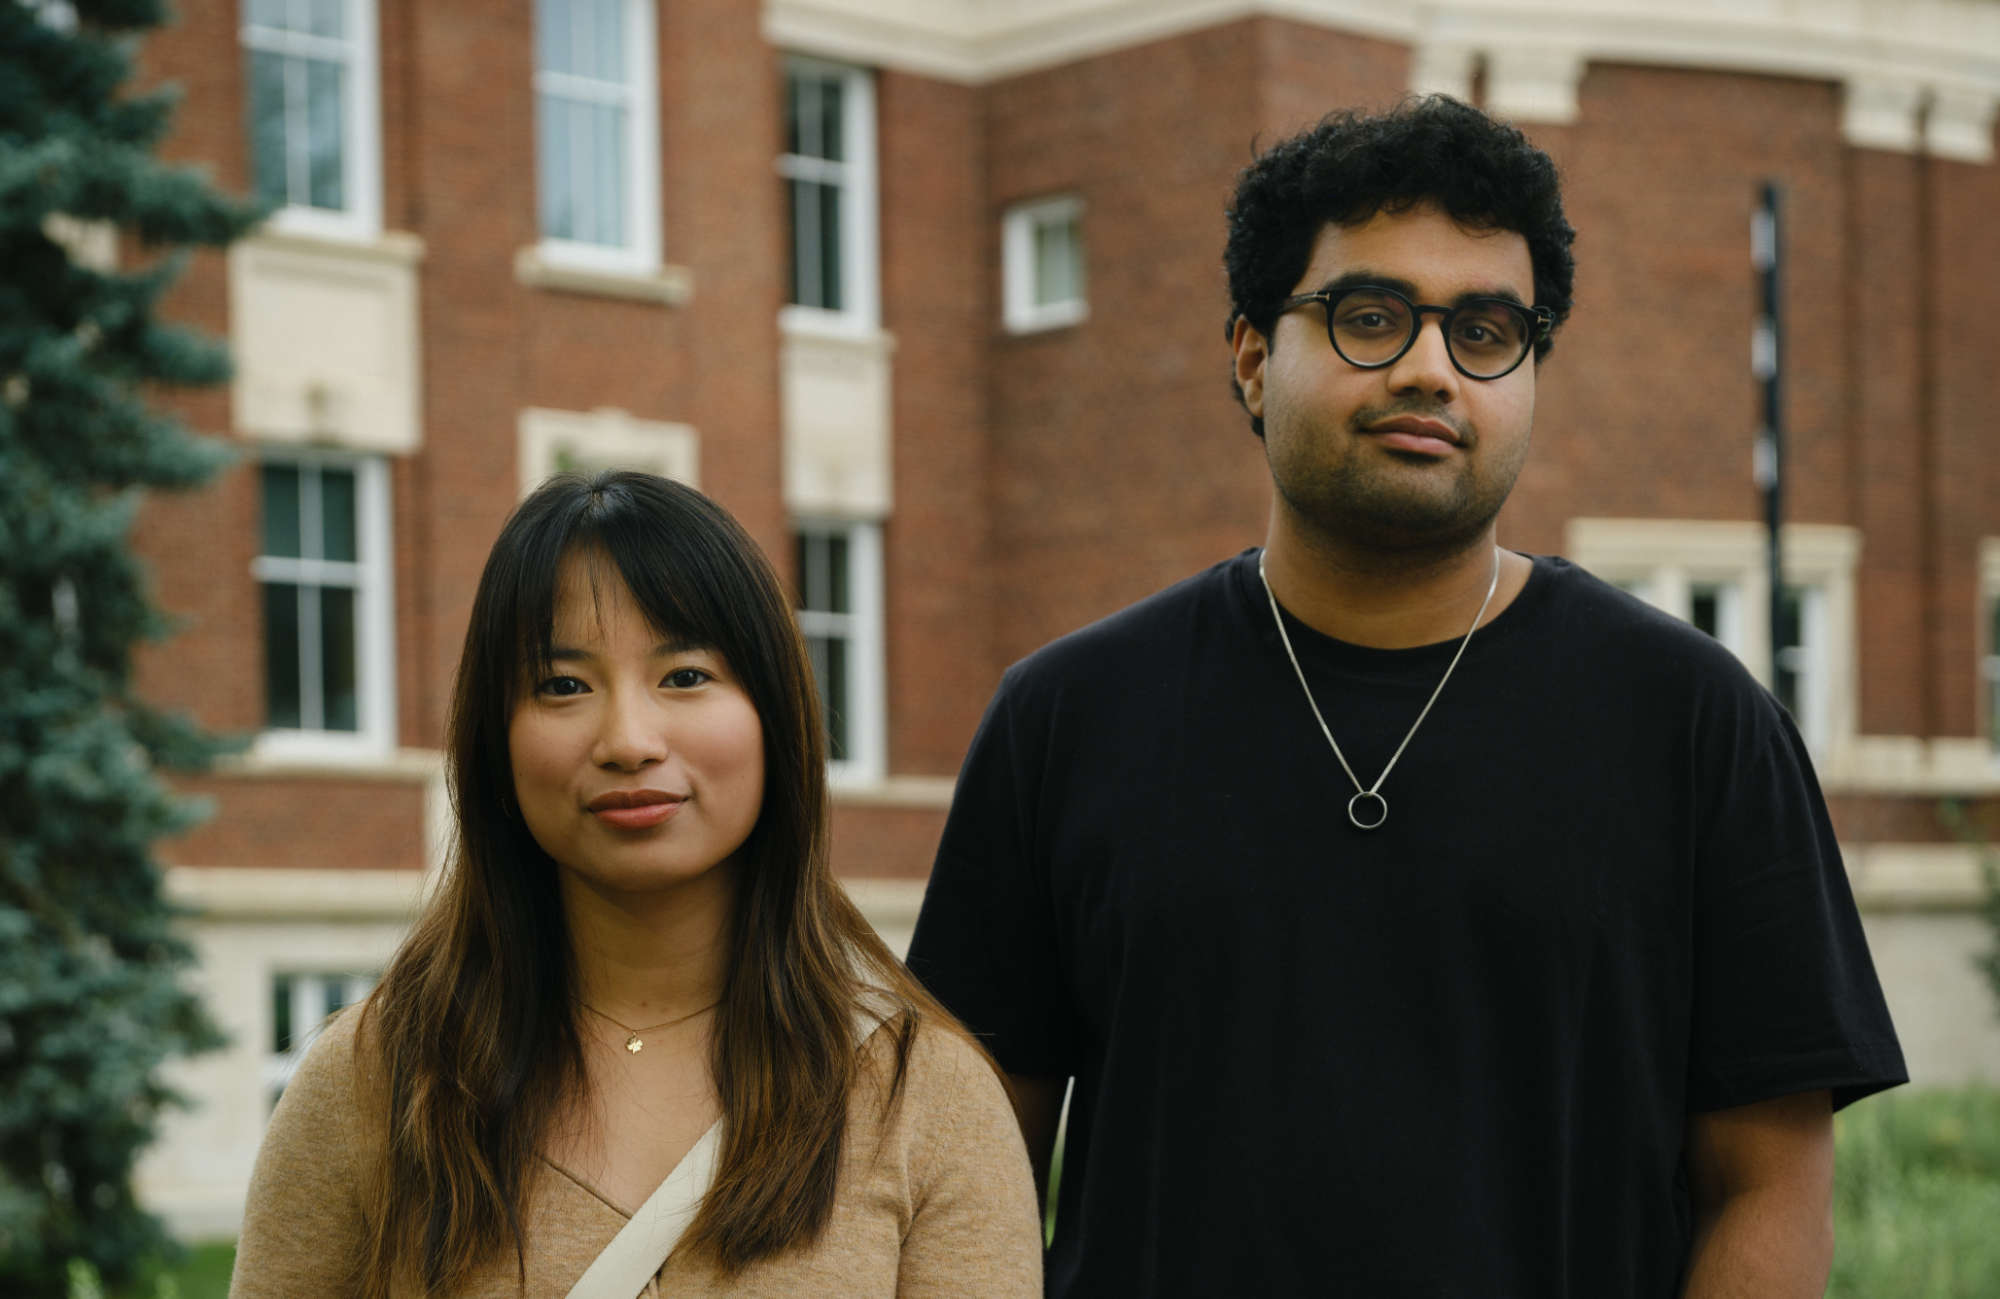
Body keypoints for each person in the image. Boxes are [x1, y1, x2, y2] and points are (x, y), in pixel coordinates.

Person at [906, 96, 1905, 1298]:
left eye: (1485, 331)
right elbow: (970, 1178)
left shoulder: (1694, 723)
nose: (1429, 368)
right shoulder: (1064, 718)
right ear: (1248, 360)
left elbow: (1768, 1186)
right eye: (1368, 318)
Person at [231, 472, 1042, 1297]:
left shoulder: (926, 1098)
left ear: (775, 714)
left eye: (685, 675)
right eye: (563, 686)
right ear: (495, 741)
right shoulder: (378, 1079)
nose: (628, 739)